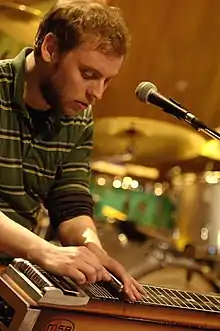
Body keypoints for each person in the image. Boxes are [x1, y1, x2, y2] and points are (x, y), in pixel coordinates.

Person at [0, 0, 144, 301]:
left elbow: (70, 200)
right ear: (50, 49)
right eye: (89, 74)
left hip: (11, 280)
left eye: (107, 80)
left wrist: (93, 248)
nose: (97, 93)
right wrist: (43, 250)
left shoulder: (79, 118)